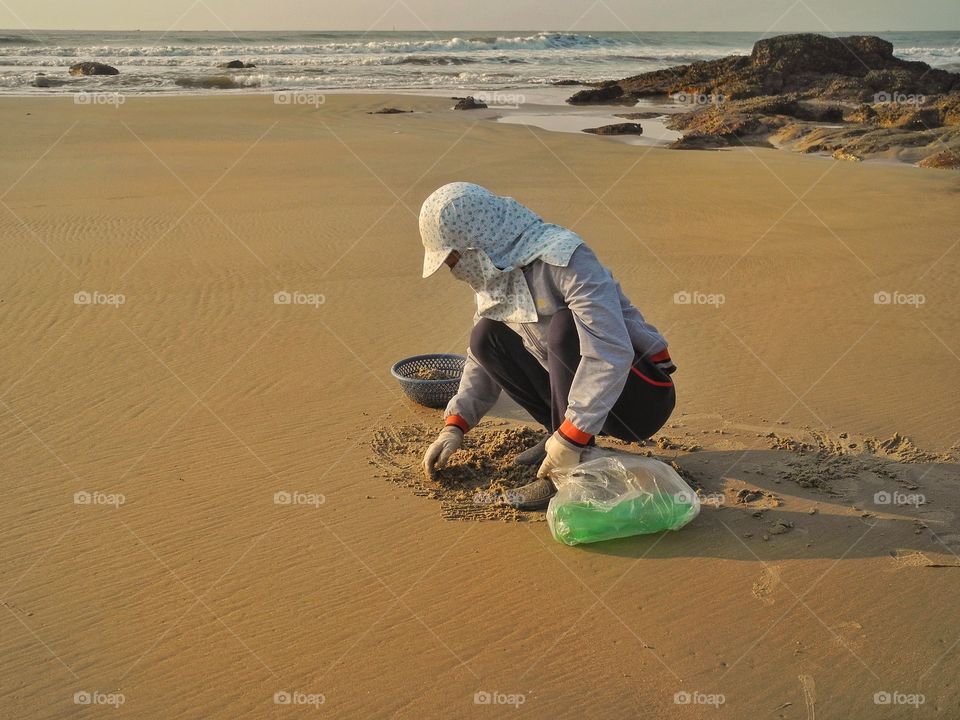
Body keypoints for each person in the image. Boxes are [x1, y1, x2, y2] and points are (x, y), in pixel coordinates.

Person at [419, 181, 676, 510]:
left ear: (476, 242)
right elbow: (481, 360)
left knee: (564, 327)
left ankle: (571, 462)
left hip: (638, 399)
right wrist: (455, 425)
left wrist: (573, 436)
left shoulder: (564, 257)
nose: (453, 270)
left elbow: (612, 351)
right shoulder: (495, 272)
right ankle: (560, 434)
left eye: (453, 258)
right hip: (581, 400)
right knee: (486, 336)